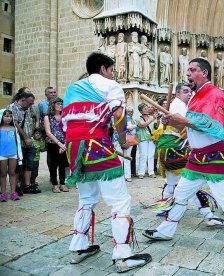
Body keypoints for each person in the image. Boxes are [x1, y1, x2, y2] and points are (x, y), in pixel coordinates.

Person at [143, 58, 224, 260]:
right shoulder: (195, 96)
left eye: (192, 70)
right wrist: (174, 122)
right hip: (197, 158)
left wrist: (182, 120)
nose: (188, 73)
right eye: (187, 70)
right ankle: (166, 231)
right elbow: (192, 126)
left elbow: (213, 127)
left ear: (205, 73)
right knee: (181, 194)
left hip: (216, 157)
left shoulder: (214, 93)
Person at [62, 52, 151, 272]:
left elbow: (66, 122)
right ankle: (122, 255)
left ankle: (78, 247)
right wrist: (122, 140)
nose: (112, 74)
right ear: (103, 68)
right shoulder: (109, 85)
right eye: (111, 70)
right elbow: (119, 116)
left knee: (86, 198)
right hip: (96, 145)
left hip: (74, 148)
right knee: (119, 200)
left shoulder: (72, 88)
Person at [152, 83, 224, 226]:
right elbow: (185, 126)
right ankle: (207, 215)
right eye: (185, 91)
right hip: (174, 149)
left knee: (173, 182)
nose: (189, 94)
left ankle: (166, 210)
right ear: (177, 94)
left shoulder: (178, 105)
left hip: (168, 149)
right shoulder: (179, 105)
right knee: (191, 180)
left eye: (190, 91)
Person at [7, 88, 41, 195]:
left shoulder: (27, 109)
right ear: (22, 99)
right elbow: (16, 124)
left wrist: (30, 135)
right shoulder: (12, 108)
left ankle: (26, 186)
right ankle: (16, 186)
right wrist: (26, 137)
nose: (31, 105)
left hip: (28, 141)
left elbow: (31, 120)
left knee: (28, 164)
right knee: (17, 166)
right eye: (30, 103)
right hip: (18, 141)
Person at [44, 97, 69, 193]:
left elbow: (68, 130)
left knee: (63, 164)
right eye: (58, 104)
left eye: (61, 104)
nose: (60, 106)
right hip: (53, 143)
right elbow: (48, 132)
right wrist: (59, 143)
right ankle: (54, 184)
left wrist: (64, 144)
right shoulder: (48, 117)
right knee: (53, 164)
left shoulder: (65, 116)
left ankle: (62, 183)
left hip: (64, 143)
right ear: (53, 105)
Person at [0, 109, 22, 202]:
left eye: (10, 116)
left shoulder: (14, 129)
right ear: (1, 117)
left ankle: (13, 192)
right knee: (3, 174)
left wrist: (18, 154)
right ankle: (3, 193)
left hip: (13, 154)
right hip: (2, 155)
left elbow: (17, 142)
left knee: (12, 173)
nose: (9, 118)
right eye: (6, 116)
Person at [137, 103, 158, 179]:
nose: (147, 110)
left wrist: (156, 121)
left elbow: (156, 127)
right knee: (143, 155)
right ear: (140, 111)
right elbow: (143, 125)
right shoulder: (138, 118)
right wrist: (152, 119)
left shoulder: (152, 117)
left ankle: (151, 172)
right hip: (143, 139)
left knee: (151, 155)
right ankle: (141, 172)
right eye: (145, 109)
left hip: (151, 139)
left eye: (147, 108)